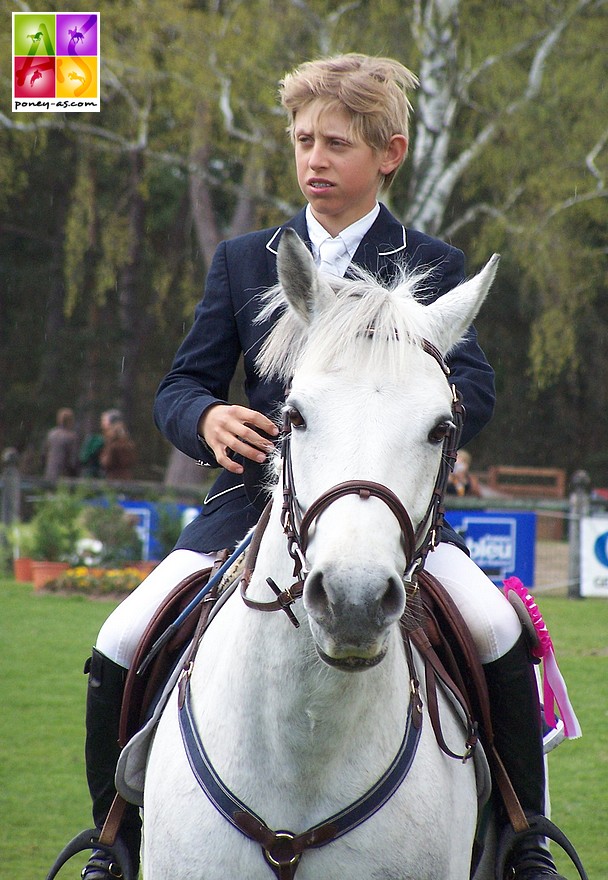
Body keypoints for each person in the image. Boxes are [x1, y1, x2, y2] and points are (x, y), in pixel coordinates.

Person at [80, 55, 568, 880]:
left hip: (390, 510)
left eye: (336, 144)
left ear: (390, 152)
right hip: (248, 507)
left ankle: (524, 842)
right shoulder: (244, 258)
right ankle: (111, 844)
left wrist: (409, 410)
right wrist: (203, 416)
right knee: (121, 636)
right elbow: (182, 383)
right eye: (303, 140)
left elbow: (473, 386)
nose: (314, 159)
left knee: (497, 629)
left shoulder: (433, 264)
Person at [42, 407, 80, 480]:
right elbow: (73, 461)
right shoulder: (72, 437)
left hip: (49, 474)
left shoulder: (51, 434)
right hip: (64, 476)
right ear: (70, 420)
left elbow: (43, 455)